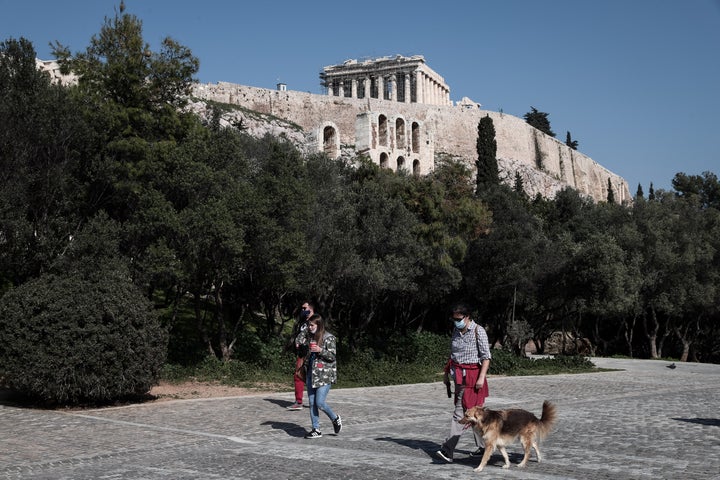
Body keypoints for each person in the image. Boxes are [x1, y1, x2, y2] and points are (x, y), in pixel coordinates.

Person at [436, 302, 491, 463]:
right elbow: (453, 355)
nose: (456, 322)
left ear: (467, 317)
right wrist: (446, 374)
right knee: (476, 414)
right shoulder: (455, 330)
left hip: (474, 378)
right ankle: (483, 447)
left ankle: (447, 450)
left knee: (460, 414)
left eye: (458, 319)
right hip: (459, 376)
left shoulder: (478, 331)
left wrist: (481, 378)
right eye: (454, 319)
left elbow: (486, 357)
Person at [302, 314, 342, 438]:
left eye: (312, 325)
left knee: (319, 402)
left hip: (325, 375)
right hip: (311, 374)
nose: (309, 327)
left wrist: (320, 350)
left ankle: (335, 418)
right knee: (312, 402)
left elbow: (332, 356)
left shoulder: (329, 338)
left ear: (318, 325)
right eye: (309, 325)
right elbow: (298, 343)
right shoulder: (310, 337)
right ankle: (316, 429)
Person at [287, 302, 314, 410]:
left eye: (305, 308)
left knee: (313, 376)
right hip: (302, 353)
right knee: (298, 375)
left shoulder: (316, 322)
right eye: (302, 309)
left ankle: (317, 401)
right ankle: (298, 401)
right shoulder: (303, 323)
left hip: (312, 353)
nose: (303, 311)